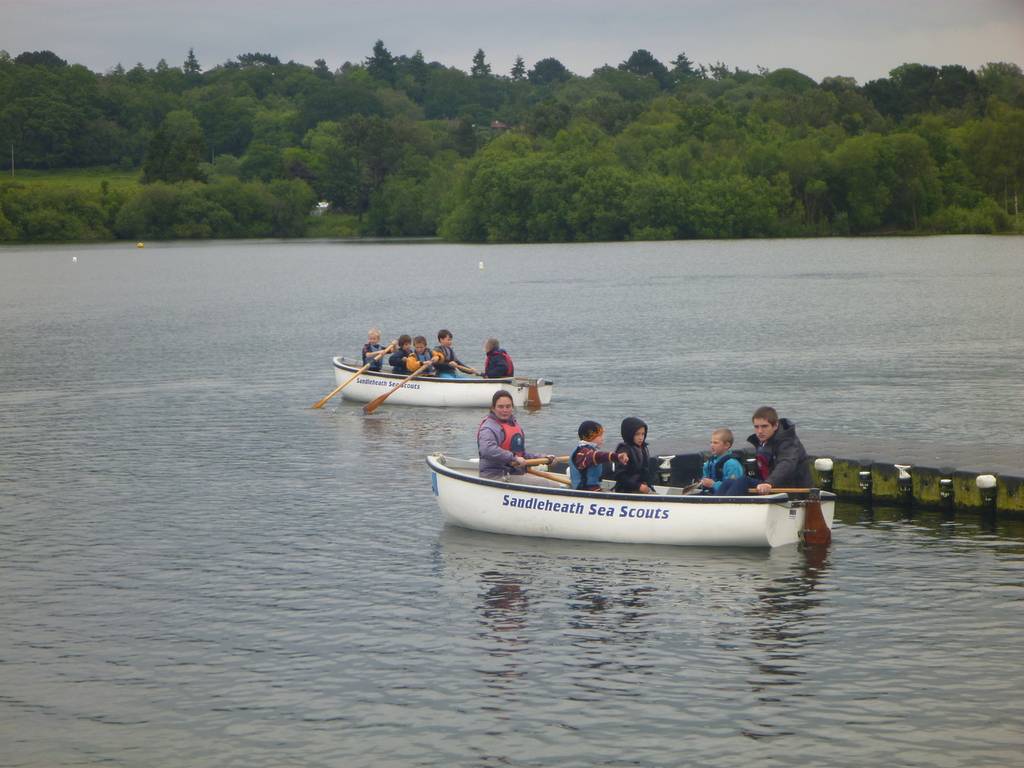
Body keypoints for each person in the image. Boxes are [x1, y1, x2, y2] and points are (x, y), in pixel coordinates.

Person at [477, 390, 556, 484]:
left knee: (552, 483)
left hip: (513, 473)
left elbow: (521, 455)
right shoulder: (489, 428)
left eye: (508, 406)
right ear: (493, 408)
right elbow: (487, 450)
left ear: (512, 408)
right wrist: (513, 458)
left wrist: (543, 457)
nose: (505, 410)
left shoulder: (513, 424)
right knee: (550, 485)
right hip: (496, 476)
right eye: (500, 407)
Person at [747, 406, 812, 494]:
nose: (760, 431)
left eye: (764, 426)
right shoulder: (763, 442)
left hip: (792, 491)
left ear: (775, 426)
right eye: (756, 427)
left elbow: (786, 463)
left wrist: (769, 483)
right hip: (771, 486)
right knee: (733, 482)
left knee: (743, 482)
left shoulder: (789, 442)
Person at [571, 420, 629, 491]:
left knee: (615, 485)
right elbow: (597, 456)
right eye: (600, 436)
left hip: (593, 486)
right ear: (590, 436)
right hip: (586, 489)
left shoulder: (583, 450)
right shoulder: (583, 452)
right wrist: (616, 456)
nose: (602, 439)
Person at [700, 428, 748, 496]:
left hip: (727, 496)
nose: (712, 445)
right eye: (711, 442)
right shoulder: (709, 463)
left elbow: (734, 487)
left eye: (715, 443)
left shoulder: (732, 464)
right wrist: (703, 483)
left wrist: (713, 484)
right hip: (711, 494)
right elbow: (705, 477)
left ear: (726, 445)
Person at [613, 417, 654, 493]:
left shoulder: (643, 448)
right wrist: (638, 486)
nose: (641, 438)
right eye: (637, 434)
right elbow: (620, 475)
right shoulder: (624, 450)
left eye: (643, 434)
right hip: (626, 490)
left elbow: (645, 471)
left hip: (642, 486)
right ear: (629, 434)